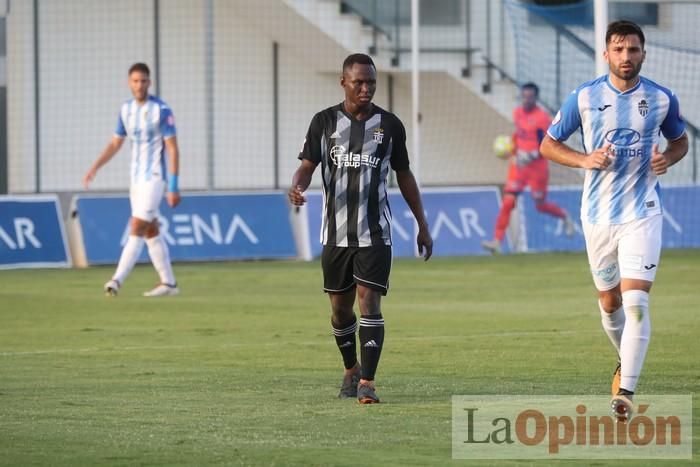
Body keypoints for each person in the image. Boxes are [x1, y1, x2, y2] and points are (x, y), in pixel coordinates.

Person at [540, 20, 688, 421]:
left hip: (643, 213)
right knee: (610, 303)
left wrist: (667, 158)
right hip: (597, 216)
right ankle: (625, 359)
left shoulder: (661, 99)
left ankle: (626, 391)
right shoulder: (584, 98)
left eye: (634, 50)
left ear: (644, 53)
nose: (627, 57)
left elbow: (680, 142)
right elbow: (548, 145)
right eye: (619, 50)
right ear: (606, 53)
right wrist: (584, 159)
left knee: (637, 299)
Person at [288, 53, 433, 404]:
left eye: (371, 82)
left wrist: (422, 224)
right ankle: (351, 368)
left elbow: (405, 176)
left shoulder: (391, 126)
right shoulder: (323, 123)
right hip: (335, 235)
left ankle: (367, 382)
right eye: (359, 82)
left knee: (370, 303)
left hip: (375, 233)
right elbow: (307, 166)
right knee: (340, 310)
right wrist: (297, 185)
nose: (366, 88)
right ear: (344, 82)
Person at [83, 62, 182, 298]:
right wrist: (94, 167)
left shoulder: (162, 110)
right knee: (150, 230)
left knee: (136, 226)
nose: (139, 85)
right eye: (135, 81)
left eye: (143, 80)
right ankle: (168, 284)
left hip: (155, 178)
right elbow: (115, 143)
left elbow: (173, 149)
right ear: (129, 83)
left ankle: (116, 280)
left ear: (150, 82)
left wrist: (173, 185)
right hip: (136, 180)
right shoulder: (125, 110)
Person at [482, 82, 575, 254]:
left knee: (540, 205)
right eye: (524, 96)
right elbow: (519, 135)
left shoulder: (542, 118)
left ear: (535, 98)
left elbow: (547, 144)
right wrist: (513, 150)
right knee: (508, 201)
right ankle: (496, 241)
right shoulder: (517, 113)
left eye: (530, 97)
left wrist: (531, 155)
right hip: (519, 167)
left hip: (537, 168)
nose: (526, 100)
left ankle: (565, 216)